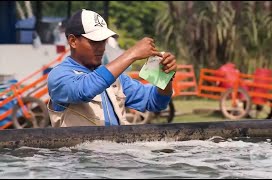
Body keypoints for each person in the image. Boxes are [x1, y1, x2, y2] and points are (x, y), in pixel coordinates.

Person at [47, 9, 177, 127]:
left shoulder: (116, 79)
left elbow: (155, 102)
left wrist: (165, 76)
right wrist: (131, 54)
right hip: (80, 154)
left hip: (115, 152)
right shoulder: (59, 75)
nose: (101, 47)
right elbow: (84, 90)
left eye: (103, 41)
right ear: (73, 41)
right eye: (94, 41)